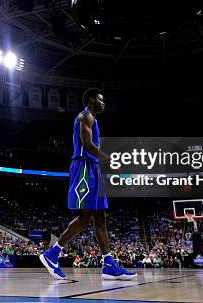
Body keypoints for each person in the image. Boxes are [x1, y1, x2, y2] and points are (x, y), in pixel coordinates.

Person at [40, 88, 136, 281]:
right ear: (92, 100)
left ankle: (108, 264)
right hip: (84, 167)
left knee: (100, 216)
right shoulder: (85, 116)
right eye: (101, 99)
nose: (103, 103)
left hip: (93, 167)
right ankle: (52, 254)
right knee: (85, 216)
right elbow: (87, 144)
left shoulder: (93, 119)